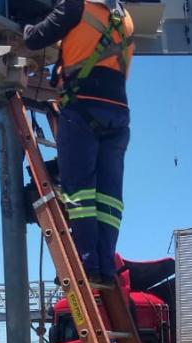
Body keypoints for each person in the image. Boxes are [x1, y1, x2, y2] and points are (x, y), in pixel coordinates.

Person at [18, 0, 134, 285]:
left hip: (82, 110)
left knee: (79, 191)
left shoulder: (75, 5)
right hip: (118, 116)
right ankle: (106, 266)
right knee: (109, 196)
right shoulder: (125, 17)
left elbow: (34, 38)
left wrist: (23, 22)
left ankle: (87, 264)